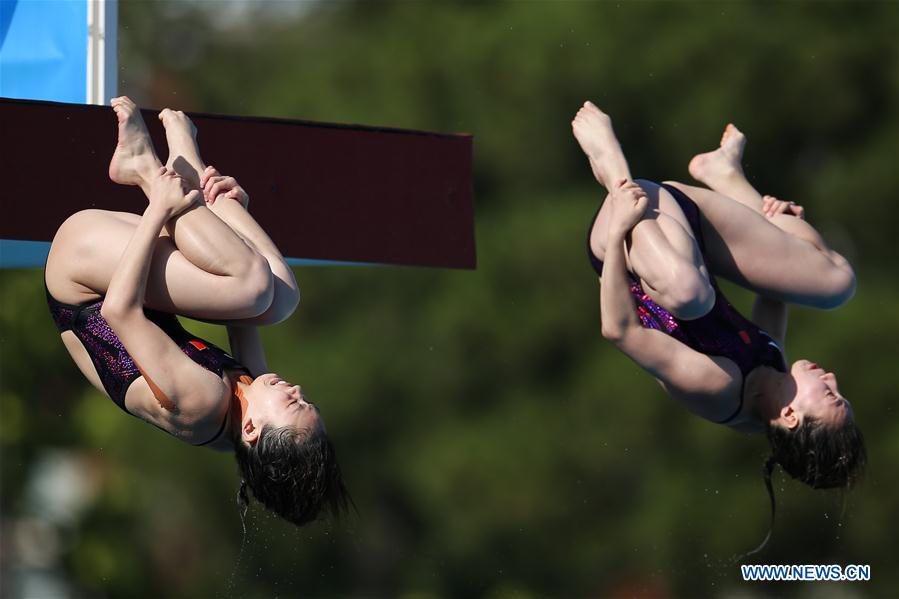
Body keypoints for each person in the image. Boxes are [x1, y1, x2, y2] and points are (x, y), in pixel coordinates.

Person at [44, 97, 350, 526]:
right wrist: (235, 217)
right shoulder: (248, 399)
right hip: (116, 265)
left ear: (252, 431)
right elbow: (243, 317)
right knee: (278, 298)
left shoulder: (202, 405)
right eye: (305, 399)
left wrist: (159, 209)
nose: (296, 389)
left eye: (293, 404)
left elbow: (118, 311)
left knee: (254, 287)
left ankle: (148, 169)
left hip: (81, 274)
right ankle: (197, 177)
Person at [572, 101, 865, 544]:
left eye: (830, 394)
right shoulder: (774, 369)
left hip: (631, 241)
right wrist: (781, 226)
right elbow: (775, 290)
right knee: (837, 283)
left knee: (689, 297)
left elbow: (621, 329)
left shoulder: (719, 389)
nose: (833, 377)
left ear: (789, 416)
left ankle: (610, 166)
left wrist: (616, 234)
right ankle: (726, 175)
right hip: (689, 223)